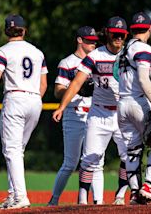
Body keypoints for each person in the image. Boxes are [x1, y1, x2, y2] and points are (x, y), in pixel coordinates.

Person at [52, 16, 129, 205]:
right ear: (108, 34)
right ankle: (78, 201)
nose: (118, 38)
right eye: (115, 34)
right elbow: (75, 83)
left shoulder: (130, 54)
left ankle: (117, 197)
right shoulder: (88, 58)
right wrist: (62, 106)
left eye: (122, 34)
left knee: (128, 156)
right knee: (85, 160)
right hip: (92, 112)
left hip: (121, 113)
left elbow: (148, 76)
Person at [0, 14, 48, 209]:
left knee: (11, 150)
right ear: (24, 30)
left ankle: (21, 197)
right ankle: (13, 194)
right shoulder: (37, 52)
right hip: (35, 100)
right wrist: (34, 100)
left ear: (6, 31)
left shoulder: (3, 51)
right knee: (17, 150)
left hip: (15, 99)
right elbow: (43, 83)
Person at [117, 12, 151, 205]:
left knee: (133, 150)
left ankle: (135, 193)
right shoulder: (144, 48)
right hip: (139, 102)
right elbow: (144, 79)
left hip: (122, 104)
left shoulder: (123, 50)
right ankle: (148, 187)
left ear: (130, 30)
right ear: (150, 28)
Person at [48, 26, 98, 206]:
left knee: (95, 162)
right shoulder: (67, 63)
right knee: (70, 163)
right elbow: (58, 90)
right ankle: (53, 201)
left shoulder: (98, 60)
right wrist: (76, 89)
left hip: (95, 115)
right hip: (74, 114)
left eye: (94, 40)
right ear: (79, 40)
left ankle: (97, 204)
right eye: (89, 40)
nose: (93, 43)